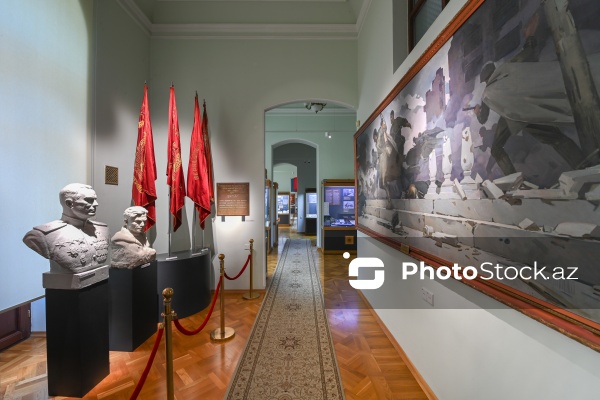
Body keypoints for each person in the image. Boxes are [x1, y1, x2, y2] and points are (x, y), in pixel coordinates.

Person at [23, 183, 110, 277]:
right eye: (89, 200)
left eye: (95, 200)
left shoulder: (102, 229)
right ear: (69, 203)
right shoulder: (44, 235)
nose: (96, 204)